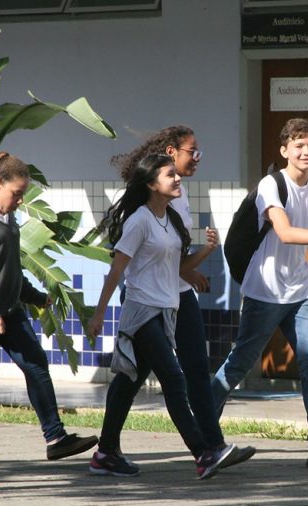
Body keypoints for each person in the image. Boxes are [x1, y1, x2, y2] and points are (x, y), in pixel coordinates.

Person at [86, 127, 254, 477]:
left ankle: (105, 452)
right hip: (143, 311)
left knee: (129, 380)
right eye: (170, 174)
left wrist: (207, 251)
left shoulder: (172, 217)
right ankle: (205, 453)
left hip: (168, 309)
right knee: (176, 381)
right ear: (150, 183)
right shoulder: (138, 221)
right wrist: (99, 314)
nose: (178, 178)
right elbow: (117, 270)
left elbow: (178, 266)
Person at [211, 118, 308, 469]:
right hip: (264, 290)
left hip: (299, 292)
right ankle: (203, 429)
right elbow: (283, 232)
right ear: (284, 150)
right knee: (240, 363)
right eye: (299, 145)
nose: (306, 151)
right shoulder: (272, 184)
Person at [0, 152, 98, 463]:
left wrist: (34, 295)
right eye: (17, 193)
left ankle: (56, 437)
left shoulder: (7, 215)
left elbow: (9, 267)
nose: (20, 201)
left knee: (35, 364)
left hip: (9, 309)